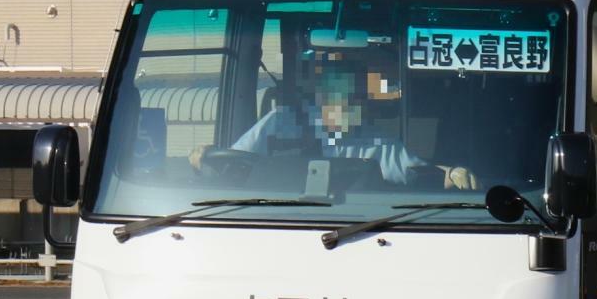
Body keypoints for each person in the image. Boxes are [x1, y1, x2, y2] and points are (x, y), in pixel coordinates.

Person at [191, 63, 477, 189]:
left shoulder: (380, 145)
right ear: (319, 97)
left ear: (363, 104)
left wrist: (451, 173)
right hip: (274, 225)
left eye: (352, 99)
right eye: (335, 97)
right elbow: (235, 160)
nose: (343, 106)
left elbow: (419, 172)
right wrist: (203, 156)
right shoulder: (280, 122)